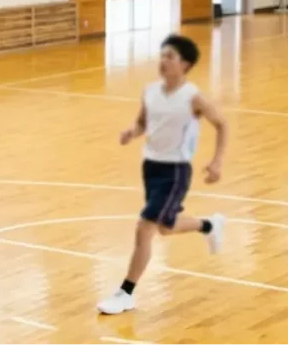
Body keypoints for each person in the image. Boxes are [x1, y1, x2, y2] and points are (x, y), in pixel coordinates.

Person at [97, 34, 228, 316]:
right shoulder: (150, 91)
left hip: (176, 172)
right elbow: (144, 122)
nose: (163, 61)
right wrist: (132, 132)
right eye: (162, 55)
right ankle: (209, 225)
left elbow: (222, 125)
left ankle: (126, 293)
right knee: (165, 228)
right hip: (151, 167)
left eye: (170, 56)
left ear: (185, 64)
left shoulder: (193, 98)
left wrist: (217, 162)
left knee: (145, 227)